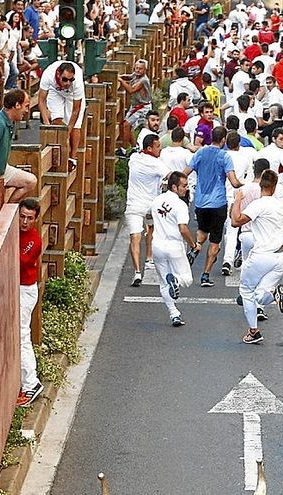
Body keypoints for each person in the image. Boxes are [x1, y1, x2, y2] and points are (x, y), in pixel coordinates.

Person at [230, 168, 283, 344]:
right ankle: (275, 295)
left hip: (262, 256)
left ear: (260, 185)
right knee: (262, 294)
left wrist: (238, 200)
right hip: (280, 257)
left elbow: (235, 222)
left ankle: (254, 331)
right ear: (275, 186)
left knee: (246, 291)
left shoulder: (259, 204)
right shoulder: (279, 205)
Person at [183, 126, 244, 288]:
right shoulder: (224, 156)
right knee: (215, 241)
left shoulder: (200, 153)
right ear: (224, 140)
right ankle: (205, 275)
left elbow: (186, 172)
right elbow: (233, 181)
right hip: (218, 203)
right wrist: (244, 185)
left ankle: (195, 249)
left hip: (201, 202)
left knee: (202, 232)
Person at [150, 172, 199, 327]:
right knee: (186, 279)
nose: (186, 188)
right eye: (183, 186)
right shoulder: (180, 205)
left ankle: (174, 313)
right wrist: (193, 245)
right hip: (174, 246)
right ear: (174, 187)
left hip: (157, 245)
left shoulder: (156, 201)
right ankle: (176, 281)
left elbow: (149, 219)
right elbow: (183, 229)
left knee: (164, 282)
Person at [126, 134, 171, 286]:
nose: (161, 149)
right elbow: (170, 176)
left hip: (133, 205)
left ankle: (137, 271)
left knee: (135, 237)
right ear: (150, 148)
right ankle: (149, 258)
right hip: (151, 206)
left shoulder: (133, 158)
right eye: (158, 147)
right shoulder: (157, 164)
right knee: (151, 230)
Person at [0, 89, 36, 202]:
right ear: (17, 105)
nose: (27, 110)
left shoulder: (9, 121)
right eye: (26, 106)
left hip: (1, 171)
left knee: (30, 181)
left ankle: (8, 206)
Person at [16, 198, 43, 406]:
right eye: (22, 217)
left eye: (29, 218)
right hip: (20, 288)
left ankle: (31, 384)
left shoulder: (34, 240)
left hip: (25, 290)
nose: (24, 222)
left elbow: (21, 260)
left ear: (35, 219)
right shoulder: (19, 233)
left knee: (23, 335)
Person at [222, 131, 256, 275]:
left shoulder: (222, 157)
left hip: (221, 196)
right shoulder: (244, 158)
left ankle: (227, 259)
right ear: (239, 144)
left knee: (227, 231)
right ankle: (232, 259)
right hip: (237, 197)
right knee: (235, 230)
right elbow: (250, 177)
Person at [38, 60, 85, 166]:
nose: (67, 83)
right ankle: (59, 152)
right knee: (57, 121)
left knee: (75, 126)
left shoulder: (77, 82)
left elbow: (76, 110)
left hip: (72, 95)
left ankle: (72, 158)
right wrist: (46, 123)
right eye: (65, 79)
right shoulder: (48, 75)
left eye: (70, 80)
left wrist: (68, 130)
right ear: (58, 74)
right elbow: (41, 100)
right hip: (56, 91)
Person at [119, 59, 153, 149]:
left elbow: (131, 90)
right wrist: (119, 76)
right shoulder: (135, 75)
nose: (137, 70)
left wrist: (121, 81)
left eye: (140, 69)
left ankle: (124, 149)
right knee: (126, 126)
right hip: (135, 106)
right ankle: (134, 148)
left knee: (127, 125)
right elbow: (129, 77)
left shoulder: (143, 80)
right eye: (136, 68)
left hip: (143, 107)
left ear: (145, 70)